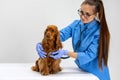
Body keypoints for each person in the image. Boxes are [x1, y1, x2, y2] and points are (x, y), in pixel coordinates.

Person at [36, 0, 110, 80]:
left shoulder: (99, 32)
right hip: (82, 71)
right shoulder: (76, 25)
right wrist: (42, 43)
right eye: (81, 12)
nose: (82, 16)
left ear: (96, 14)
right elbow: (59, 35)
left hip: (96, 73)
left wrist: (66, 52)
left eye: (87, 14)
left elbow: (89, 55)